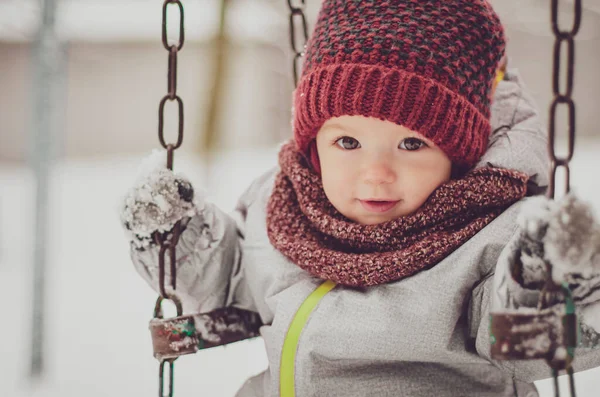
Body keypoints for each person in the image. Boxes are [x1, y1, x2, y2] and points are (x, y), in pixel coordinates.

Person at [119, 1, 600, 396]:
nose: (376, 175)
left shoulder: (490, 238)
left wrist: (544, 277)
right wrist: (180, 240)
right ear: (314, 145)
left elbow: (525, 345)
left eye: (412, 144)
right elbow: (231, 283)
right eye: (347, 143)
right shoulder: (283, 209)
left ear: (457, 156)